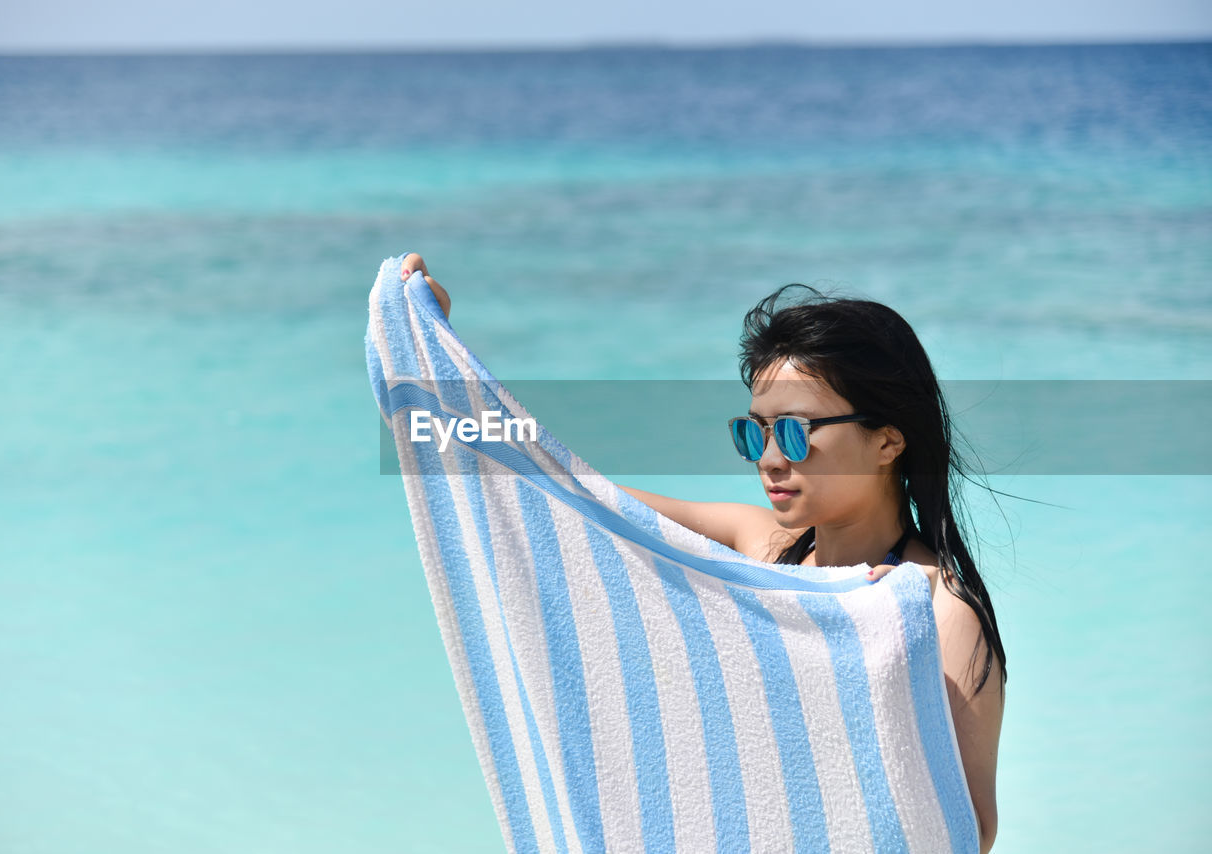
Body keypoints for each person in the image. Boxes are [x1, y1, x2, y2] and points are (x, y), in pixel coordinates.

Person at [399, 253, 1006, 853]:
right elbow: (569, 494)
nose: (770, 458)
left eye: (795, 431)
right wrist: (443, 380)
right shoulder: (765, 550)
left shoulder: (940, 611)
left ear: (887, 441)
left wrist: (878, 645)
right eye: (756, 431)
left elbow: (970, 831)